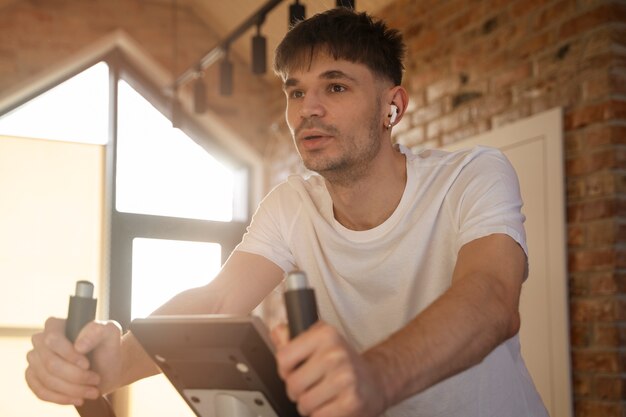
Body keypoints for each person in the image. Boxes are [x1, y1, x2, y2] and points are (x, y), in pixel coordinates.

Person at [26, 8, 548, 417]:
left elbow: (491, 299)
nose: (307, 109)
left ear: (393, 107)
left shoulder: (473, 175)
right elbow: (215, 301)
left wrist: (375, 377)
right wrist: (115, 359)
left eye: (335, 87)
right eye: (295, 91)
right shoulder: (291, 203)